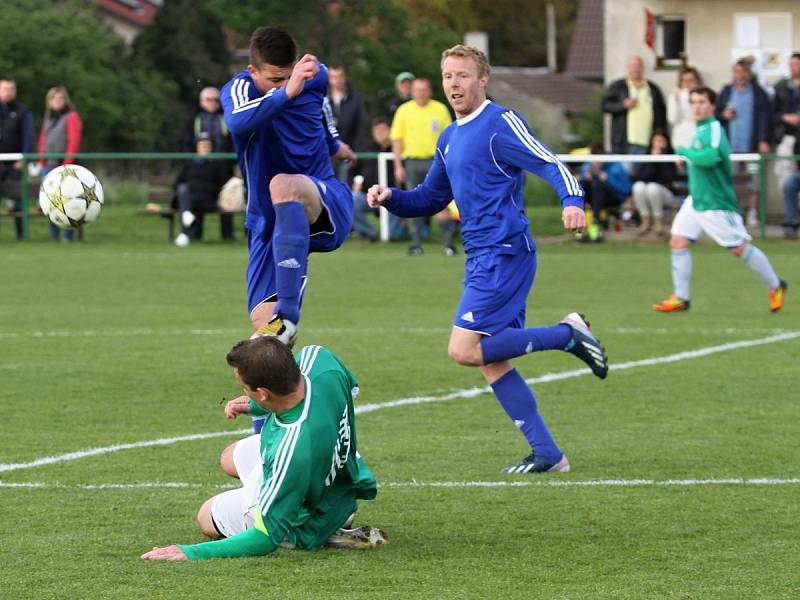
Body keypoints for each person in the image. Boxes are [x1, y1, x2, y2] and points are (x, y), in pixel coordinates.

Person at [367, 45, 608, 474]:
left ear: (482, 80)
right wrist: (391, 199)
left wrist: (572, 199)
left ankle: (567, 335)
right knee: (492, 360)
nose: (453, 84)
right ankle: (549, 454)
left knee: (463, 350)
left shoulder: (499, 123)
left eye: (462, 75)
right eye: (447, 76)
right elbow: (430, 197)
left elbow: (550, 161)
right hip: (481, 256)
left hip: (505, 252)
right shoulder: (450, 136)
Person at [140, 337, 383, 561]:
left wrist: (192, 552)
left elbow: (265, 538)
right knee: (229, 457)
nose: (244, 393)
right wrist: (254, 406)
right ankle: (328, 512)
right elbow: (351, 390)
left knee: (206, 516)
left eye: (245, 388)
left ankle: (320, 530)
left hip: (308, 509)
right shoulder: (317, 359)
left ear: (264, 393)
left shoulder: (292, 450)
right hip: (340, 475)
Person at [220, 26, 356, 350]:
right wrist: (286, 92)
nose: (285, 85)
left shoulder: (315, 74)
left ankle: (289, 313)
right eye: (274, 80)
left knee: (282, 185)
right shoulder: (238, 89)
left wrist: (334, 144)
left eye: (288, 76)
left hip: (323, 197)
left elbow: (321, 106)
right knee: (266, 335)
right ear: (253, 70)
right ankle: (297, 393)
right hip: (267, 222)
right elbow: (238, 122)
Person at [652, 86, 787, 314]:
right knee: (678, 241)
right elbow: (699, 158)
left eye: (702, 102)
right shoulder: (700, 130)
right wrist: (688, 158)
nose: (697, 106)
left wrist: (686, 153)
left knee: (739, 248)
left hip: (716, 203)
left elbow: (710, 157)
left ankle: (776, 285)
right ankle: (681, 298)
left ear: (712, 106)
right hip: (697, 201)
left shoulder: (714, 129)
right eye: (693, 102)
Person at [390, 77, 454, 255]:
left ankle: (448, 244)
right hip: (412, 162)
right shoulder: (404, 110)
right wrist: (398, 166)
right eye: (417, 89)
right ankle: (416, 244)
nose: (421, 93)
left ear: (430, 91)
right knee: (415, 202)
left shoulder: (440, 109)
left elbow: (451, 138)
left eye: (424, 89)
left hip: (436, 163)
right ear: (412, 91)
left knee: (442, 202)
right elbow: (397, 139)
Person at [715, 58, 772, 229]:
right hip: (730, 146)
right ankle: (732, 213)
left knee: (755, 181)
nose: (739, 75)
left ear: (748, 73)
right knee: (729, 180)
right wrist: (723, 115)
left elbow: (765, 118)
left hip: (752, 146)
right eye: (736, 72)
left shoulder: (758, 93)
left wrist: (763, 140)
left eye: (743, 72)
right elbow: (716, 115)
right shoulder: (726, 92)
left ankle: (753, 213)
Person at [178, 87, 236, 242]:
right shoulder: (193, 119)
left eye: (216, 100)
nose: (212, 103)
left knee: (227, 195)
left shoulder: (227, 118)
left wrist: (227, 163)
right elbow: (185, 143)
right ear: (201, 101)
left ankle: (228, 236)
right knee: (192, 190)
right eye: (208, 99)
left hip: (222, 170)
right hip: (198, 168)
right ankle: (192, 235)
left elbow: (233, 142)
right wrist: (192, 161)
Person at [601, 56, 667, 167]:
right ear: (628, 68)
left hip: (647, 141)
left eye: (638, 66)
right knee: (625, 175)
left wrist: (659, 134)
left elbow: (661, 114)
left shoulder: (652, 88)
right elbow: (605, 106)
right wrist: (623, 105)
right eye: (632, 66)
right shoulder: (618, 86)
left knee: (641, 175)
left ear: (643, 68)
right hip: (623, 142)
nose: (635, 69)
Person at [37, 86, 83, 242]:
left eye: (60, 98)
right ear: (49, 101)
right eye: (53, 98)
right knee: (51, 202)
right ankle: (54, 235)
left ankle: (68, 236)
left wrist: (66, 164)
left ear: (65, 100)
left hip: (64, 166)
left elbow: (74, 141)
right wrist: (41, 162)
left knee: (68, 202)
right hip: (48, 166)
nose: (57, 101)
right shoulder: (49, 118)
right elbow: (43, 140)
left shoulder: (71, 117)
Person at [173, 133, 234, 247]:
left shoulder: (217, 165)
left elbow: (222, 185)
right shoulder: (189, 164)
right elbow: (176, 184)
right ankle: (187, 219)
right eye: (202, 145)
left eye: (207, 145)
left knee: (186, 199)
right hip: (189, 197)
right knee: (183, 190)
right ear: (196, 147)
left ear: (211, 147)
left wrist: (199, 186)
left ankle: (185, 233)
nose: (204, 148)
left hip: (207, 199)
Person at [349, 116, 395, 241]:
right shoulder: (366, 148)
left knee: (405, 202)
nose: (380, 133)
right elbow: (353, 171)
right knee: (350, 200)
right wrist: (357, 181)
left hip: (393, 196)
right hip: (368, 195)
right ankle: (370, 234)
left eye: (383, 129)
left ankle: (389, 236)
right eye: (377, 130)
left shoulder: (397, 150)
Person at [0, 78, 35, 240]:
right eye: (5, 88)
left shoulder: (22, 111)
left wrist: (24, 159)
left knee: (18, 202)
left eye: (11, 88)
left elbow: (29, 137)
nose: (8, 91)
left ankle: (22, 236)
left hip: (16, 165)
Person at [578, 142, 632, 242]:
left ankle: (596, 224)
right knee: (583, 183)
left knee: (598, 185)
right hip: (594, 197)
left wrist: (608, 179)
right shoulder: (588, 164)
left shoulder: (615, 166)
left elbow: (626, 189)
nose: (597, 162)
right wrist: (586, 176)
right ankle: (580, 224)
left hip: (614, 197)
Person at [773, 52, 800, 238]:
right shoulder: (781, 87)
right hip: (788, 138)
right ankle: (792, 220)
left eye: (796, 64)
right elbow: (773, 113)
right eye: (790, 64)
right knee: (787, 182)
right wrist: (785, 118)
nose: (793, 67)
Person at [631, 132, 678, 237]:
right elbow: (642, 177)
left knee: (652, 187)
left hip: (666, 193)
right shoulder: (646, 156)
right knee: (638, 186)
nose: (658, 144)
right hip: (647, 193)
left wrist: (662, 158)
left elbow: (668, 178)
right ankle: (645, 219)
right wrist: (653, 160)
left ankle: (658, 220)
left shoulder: (670, 156)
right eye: (656, 141)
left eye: (661, 141)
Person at [327, 64, 368, 183]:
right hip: (327, 154)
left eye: (340, 76)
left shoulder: (356, 99)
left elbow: (361, 127)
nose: (337, 80)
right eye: (333, 77)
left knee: (345, 187)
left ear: (345, 77)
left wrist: (356, 151)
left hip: (348, 154)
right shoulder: (323, 98)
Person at [667, 66, 703, 149]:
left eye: (691, 80)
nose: (687, 83)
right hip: (681, 136)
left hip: (698, 135)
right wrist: (677, 101)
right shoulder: (674, 96)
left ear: (697, 81)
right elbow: (672, 119)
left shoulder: (703, 96)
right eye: (684, 80)